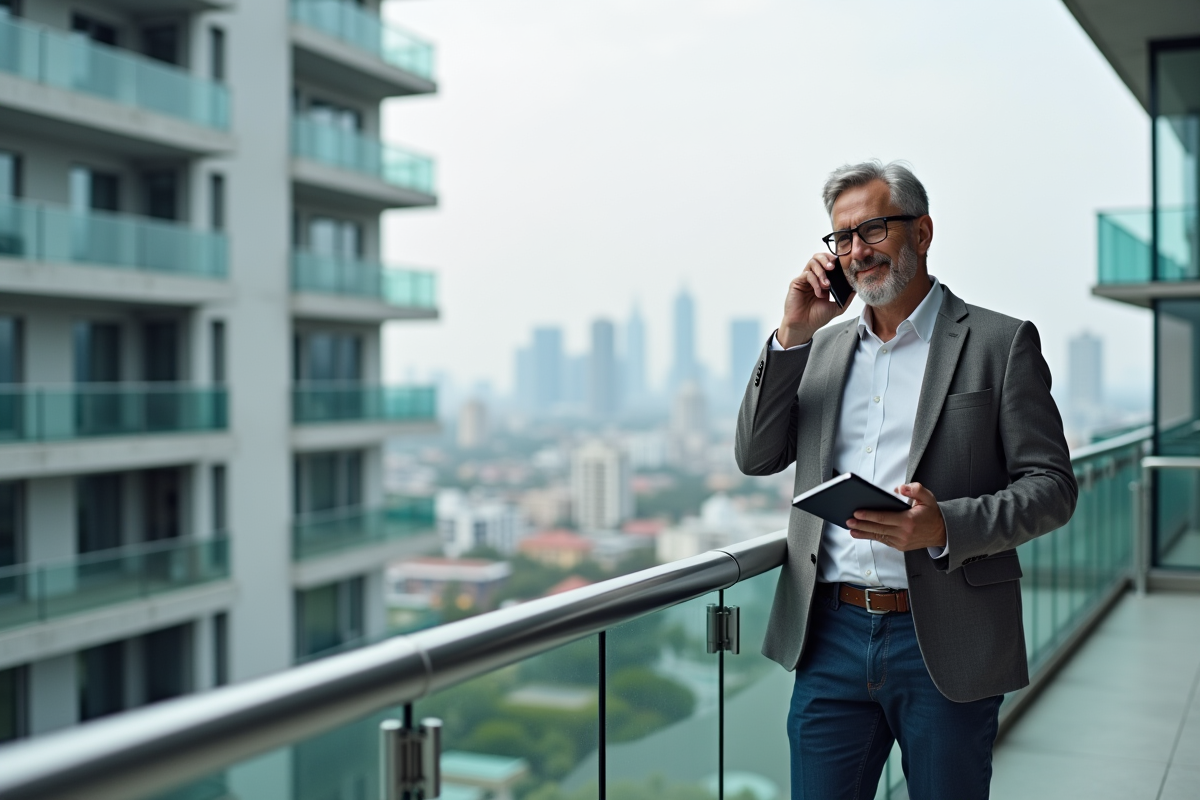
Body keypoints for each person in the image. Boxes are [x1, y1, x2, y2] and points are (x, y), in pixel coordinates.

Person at [735, 160, 1077, 800]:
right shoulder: (822, 348)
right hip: (828, 635)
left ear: (921, 232)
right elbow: (756, 456)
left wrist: (946, 524)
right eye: (841, 238)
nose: (856, 251)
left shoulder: (1000, 344)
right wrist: (790, 335)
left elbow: (1053, 488)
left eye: (873, 230)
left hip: (947, 636)